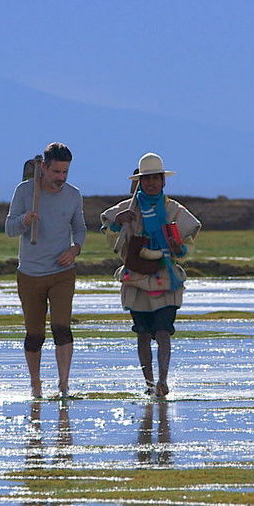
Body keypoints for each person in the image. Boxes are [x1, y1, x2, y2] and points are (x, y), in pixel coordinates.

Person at [101, 153, 202, 397]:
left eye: (155, 178)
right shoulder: (126, 209)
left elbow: (187, 243)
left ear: (163, 181)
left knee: (164, 331)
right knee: (143, 332)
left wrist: (180, 249)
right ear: (140, 181)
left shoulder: (173, 210)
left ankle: (163, 381)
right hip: (136, 278)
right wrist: (117, 223)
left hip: (166, 278)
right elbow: (108, 230)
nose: (151, 183)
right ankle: (149, 383)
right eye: (146, 179)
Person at [6, 142, 86, 399]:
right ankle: (36, 384)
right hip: (30, 273)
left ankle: (63, 384)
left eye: (65, 172)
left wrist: (74, 250)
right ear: (43, 168)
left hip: (62, 271)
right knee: (35, 334)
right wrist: (24, 221)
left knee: (62, 327)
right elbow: (9, 228)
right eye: (56, 172)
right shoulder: (24, 191)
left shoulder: (73, 195)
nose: (61, 178)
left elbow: (81, 229)